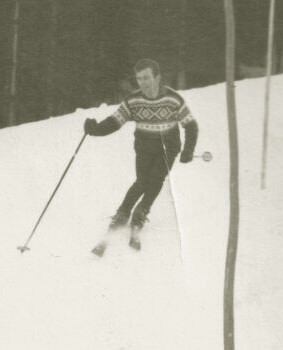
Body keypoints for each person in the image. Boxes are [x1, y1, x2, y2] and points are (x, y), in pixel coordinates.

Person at [84, 58, 198, 249]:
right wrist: (95, 129)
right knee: (142, 181)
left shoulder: (173, 99)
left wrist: (188, 150)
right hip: (144, 147)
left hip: (167, 148)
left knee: (155, 178)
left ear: (157, 77)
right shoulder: (134, 101)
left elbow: (191, 126)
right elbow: (115, 121)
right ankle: (128, 213)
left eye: (146, 78)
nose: (143, 82)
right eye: (139, 79)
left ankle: (136, 211)